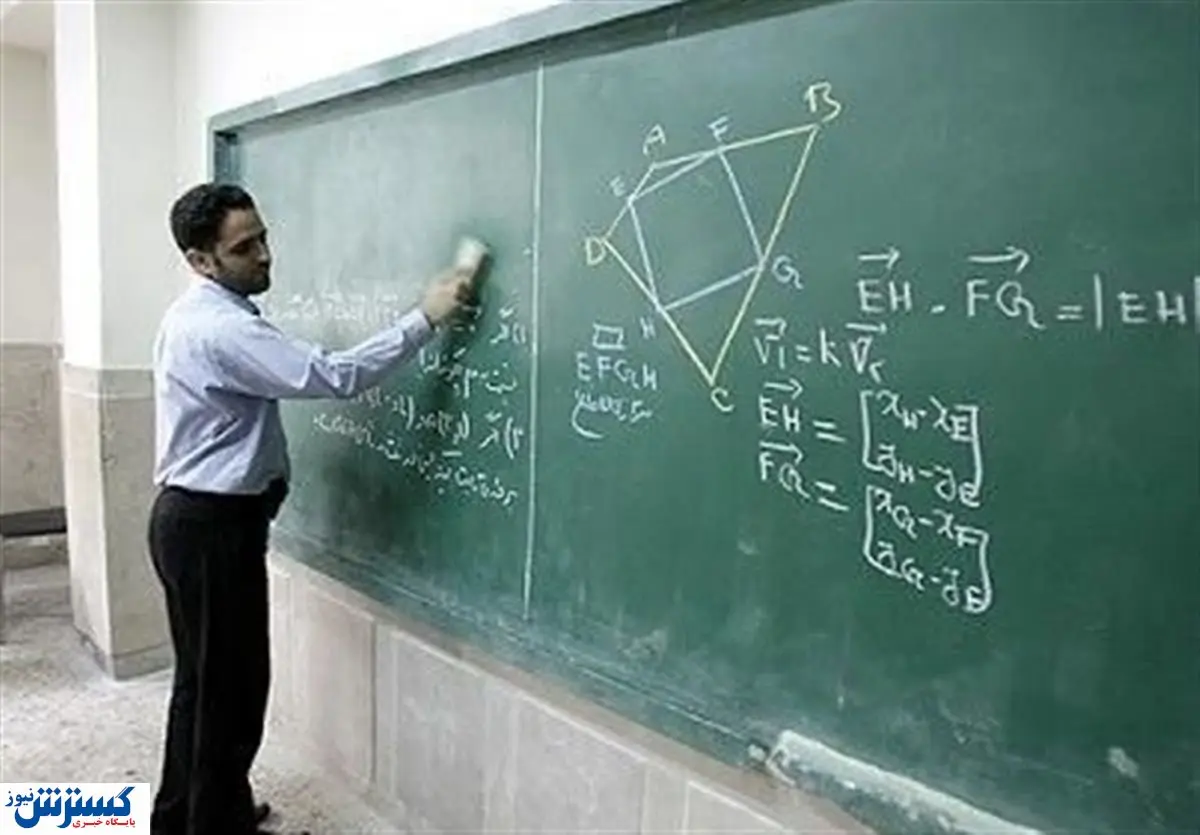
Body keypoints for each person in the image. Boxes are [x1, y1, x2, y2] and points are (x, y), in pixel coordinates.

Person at [148, 182, 479, 835]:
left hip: (193, 524)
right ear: (200, 260)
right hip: (212, 530)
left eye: (263, 237)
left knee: (203, 686)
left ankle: (187, 816)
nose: (265, 255)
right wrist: (426, 316)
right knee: (231, 695)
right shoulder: (222, 329)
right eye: (244, 247)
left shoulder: (196, 313)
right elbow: (336, 375)